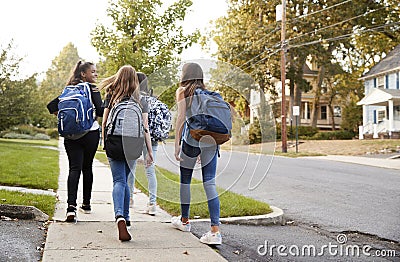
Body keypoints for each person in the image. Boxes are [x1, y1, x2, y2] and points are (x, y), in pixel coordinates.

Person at [100, 65, 153, 242]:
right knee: (127, 180)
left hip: (114, 141)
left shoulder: (112, 94)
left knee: (118, 181)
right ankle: (127, 216)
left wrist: (104, 142)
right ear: (135, 80)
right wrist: (149, 152)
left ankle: (120, 216)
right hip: (133, 144)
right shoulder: (141, 99)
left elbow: (105, 121)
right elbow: (145, 128)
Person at [172, 62, 222, 245]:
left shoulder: (183, 91)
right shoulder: (209, 94)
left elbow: (181, 118)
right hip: (211, 141)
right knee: (210, 183)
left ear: (185, 75)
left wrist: (177, 144)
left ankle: (185, 221)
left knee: (185, 180)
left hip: (191, 141)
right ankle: (215, 231)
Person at [47, 61, 104, 222]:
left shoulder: (68, 89)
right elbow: (100, 110)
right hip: (90, 133)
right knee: (87, 167)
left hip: (71, 136)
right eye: (93, 72)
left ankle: (71, 208)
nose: (96, 74)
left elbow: (51, 106)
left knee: (74, 168)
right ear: (83, 74)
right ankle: (86, 204)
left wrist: (68, 119)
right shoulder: (92, 88)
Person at [127, 72, 158, 215]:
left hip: (138, 136)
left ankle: (130, 199)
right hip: (153, 137)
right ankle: (152, 203)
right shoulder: (153, 99)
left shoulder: (135, 99)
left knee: (131, 169)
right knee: (150, 170)